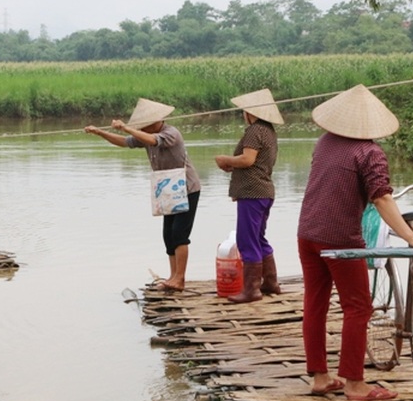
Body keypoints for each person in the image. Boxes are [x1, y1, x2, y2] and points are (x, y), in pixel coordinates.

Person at [298, 84, 413, 401]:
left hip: (307, 233)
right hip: (340, 239)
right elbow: (383, 199)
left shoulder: (325, 143)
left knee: (315, 302)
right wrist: (412, 237)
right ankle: (354, 383)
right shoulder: (369, 153)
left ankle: (320, 377)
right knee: (358, 307)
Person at [84, 98, 201, 292]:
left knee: (180, 235)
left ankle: (179, 279)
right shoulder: (145, 134)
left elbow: (153, 141)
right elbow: (123, 142)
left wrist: (127, 128)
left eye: (145, 125)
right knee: (168, 236)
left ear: (156, 121)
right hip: (167, 188)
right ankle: (173, 276)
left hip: (186, 188)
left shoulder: (170, 133)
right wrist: (99, 132)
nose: (143, 128)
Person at [214, 88, 284, 303]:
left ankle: (251, 290)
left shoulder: (255, 131)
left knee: (247, 240)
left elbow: (247, 160)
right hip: (263, 192)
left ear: (250, 112)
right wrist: (233, 165)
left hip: (252, 193)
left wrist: (225, 159)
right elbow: (252, 162)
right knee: (258, 238)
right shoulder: (268, 131)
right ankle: (270, 284)